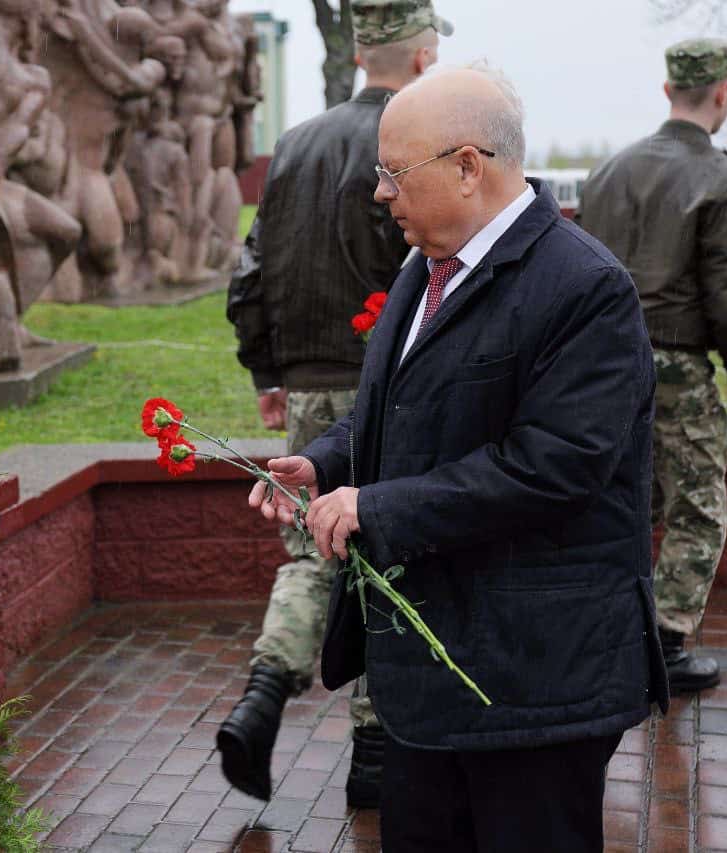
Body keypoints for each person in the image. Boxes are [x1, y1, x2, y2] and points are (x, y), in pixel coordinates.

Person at [250, 64, 669, 852]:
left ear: (468, 166)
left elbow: (554, 465)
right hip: (432, 688)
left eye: (394, 172)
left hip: (534, 687)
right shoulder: (422, 269)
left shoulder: (585, 289)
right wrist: (328, 462)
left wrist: (377, 507)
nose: (380, 193)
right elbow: (399, 409)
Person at [221, 0, 450, 807]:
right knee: (384, 550)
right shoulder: (413, 146)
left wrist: (265, 371)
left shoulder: (295, 143)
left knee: (307, 553)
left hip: (310, 385)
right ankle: (375, 749)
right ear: (423, 61)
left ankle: (262, 692)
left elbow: (249, 271)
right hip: (391, 386)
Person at [577, 38, 727, 692]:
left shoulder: (608, 172)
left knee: (621, 498)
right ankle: (668, 642)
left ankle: (598, 625)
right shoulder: (724, 178)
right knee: (697, 506)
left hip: (603, 363)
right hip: (678, 369)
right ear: (724, 93)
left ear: (667, 92)